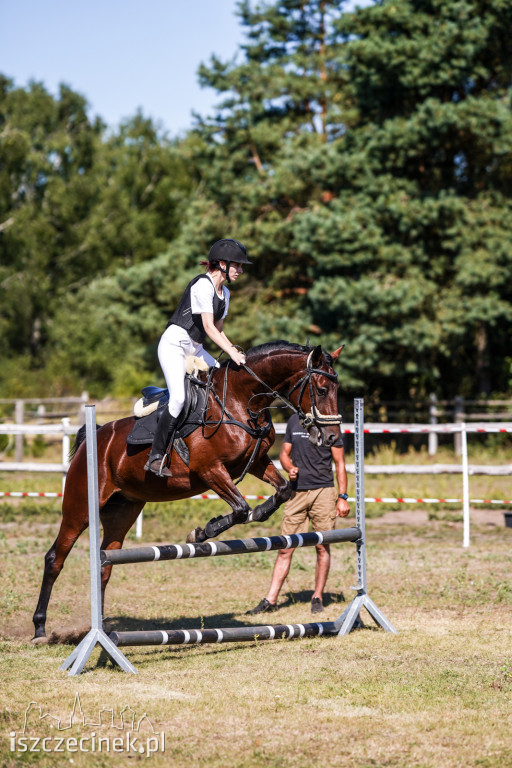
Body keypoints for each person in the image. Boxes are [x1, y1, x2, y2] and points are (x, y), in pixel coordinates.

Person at [145, 238, 251, 477]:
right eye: (238, 265)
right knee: (179, 399)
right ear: (222, 264)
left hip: (195, 348)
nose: (241, 270)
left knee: (225, 381)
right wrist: (232, 353)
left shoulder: (225, 294)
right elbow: (208, 327)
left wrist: (234, 352)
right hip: (174, 345)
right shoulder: (202, 286)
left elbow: (219, 329)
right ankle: (156, 456)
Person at [246, 412, 350, 614]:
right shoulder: (295, 419)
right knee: (285, 547)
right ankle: (271, 600)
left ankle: (317, 597)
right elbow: (284, 453)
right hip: (296, 493)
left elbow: (340, 463)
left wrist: (342, 497)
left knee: (322, 546)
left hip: (324, 492)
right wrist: (289, 467)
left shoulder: (329, 423)